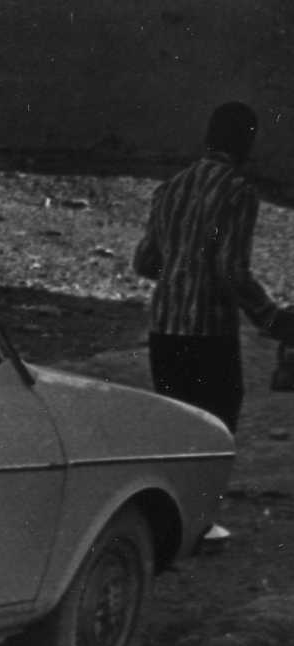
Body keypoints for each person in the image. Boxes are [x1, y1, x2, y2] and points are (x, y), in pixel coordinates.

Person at [133, 101, 293, 542]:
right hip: (209, 331)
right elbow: (231, 269)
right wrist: (271, 318)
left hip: (164, 327)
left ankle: (169, 527)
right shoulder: (238, 192)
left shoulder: (171, 188)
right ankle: (198, 524)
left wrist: (180, 269)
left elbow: (144, 261)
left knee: (177, 427)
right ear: (246, 143)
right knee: (215, 429)